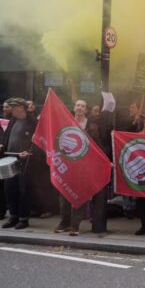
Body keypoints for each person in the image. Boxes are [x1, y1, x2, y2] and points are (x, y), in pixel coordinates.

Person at [54, 100, 102, 236]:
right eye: (78, 105)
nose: (80, 107)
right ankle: (64, 222)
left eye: (83, 106)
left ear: (86, 110)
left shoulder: (92, 126)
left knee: (79, 195)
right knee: (64, 194)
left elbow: (97, 147)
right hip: (66, 165)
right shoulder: (65, 123)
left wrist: (105, 161)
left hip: (83, 167)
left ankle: (75, 225)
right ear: (74, 108)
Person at [0, 98, 37, 230]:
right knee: (10, 189)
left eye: (13, 107)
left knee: (23, 191)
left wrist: (29, 152)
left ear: (21, 107)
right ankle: (13, 217)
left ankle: (23, 219)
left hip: (24, 161)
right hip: (10, 159)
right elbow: (7, 136)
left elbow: (38, 142)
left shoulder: (33, 122)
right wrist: (2, 145)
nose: (11, 109)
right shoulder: (13, 120)